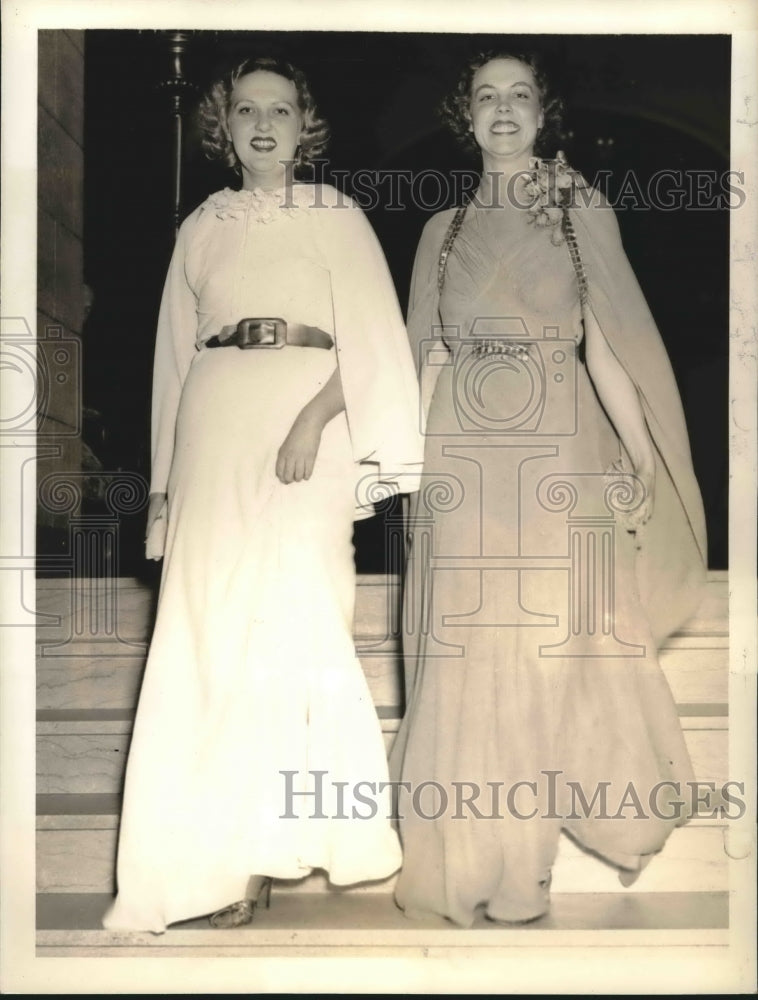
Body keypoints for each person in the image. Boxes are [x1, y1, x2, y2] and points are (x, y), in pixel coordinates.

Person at [103, 55, 424, 934]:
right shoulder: (201, 225)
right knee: (208, 635)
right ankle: (216, 861)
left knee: (294, 622)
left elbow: (373, 338)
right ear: (225, 125)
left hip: (306, 423)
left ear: (303, 124)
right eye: (246, 109)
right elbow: (175, 364)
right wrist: (165, 488)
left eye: (280, 109)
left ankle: (277, 841)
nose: (263, 124)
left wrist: (315, 420)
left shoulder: (336, 213)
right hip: (214, 423)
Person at [389, 50, 708, 927]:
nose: (502, 110)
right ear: (466, 115)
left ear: (542, 112)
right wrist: (412, 474)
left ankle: (524, 872)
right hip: (462, 452)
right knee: (464, 657)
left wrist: (640, 458)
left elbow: (606, 343)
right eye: (485, 96)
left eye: (518, 95)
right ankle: (472, 859)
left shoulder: (579, 210)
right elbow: (422, 355)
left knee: (540, 653)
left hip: (558, 448)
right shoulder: (439, 229)